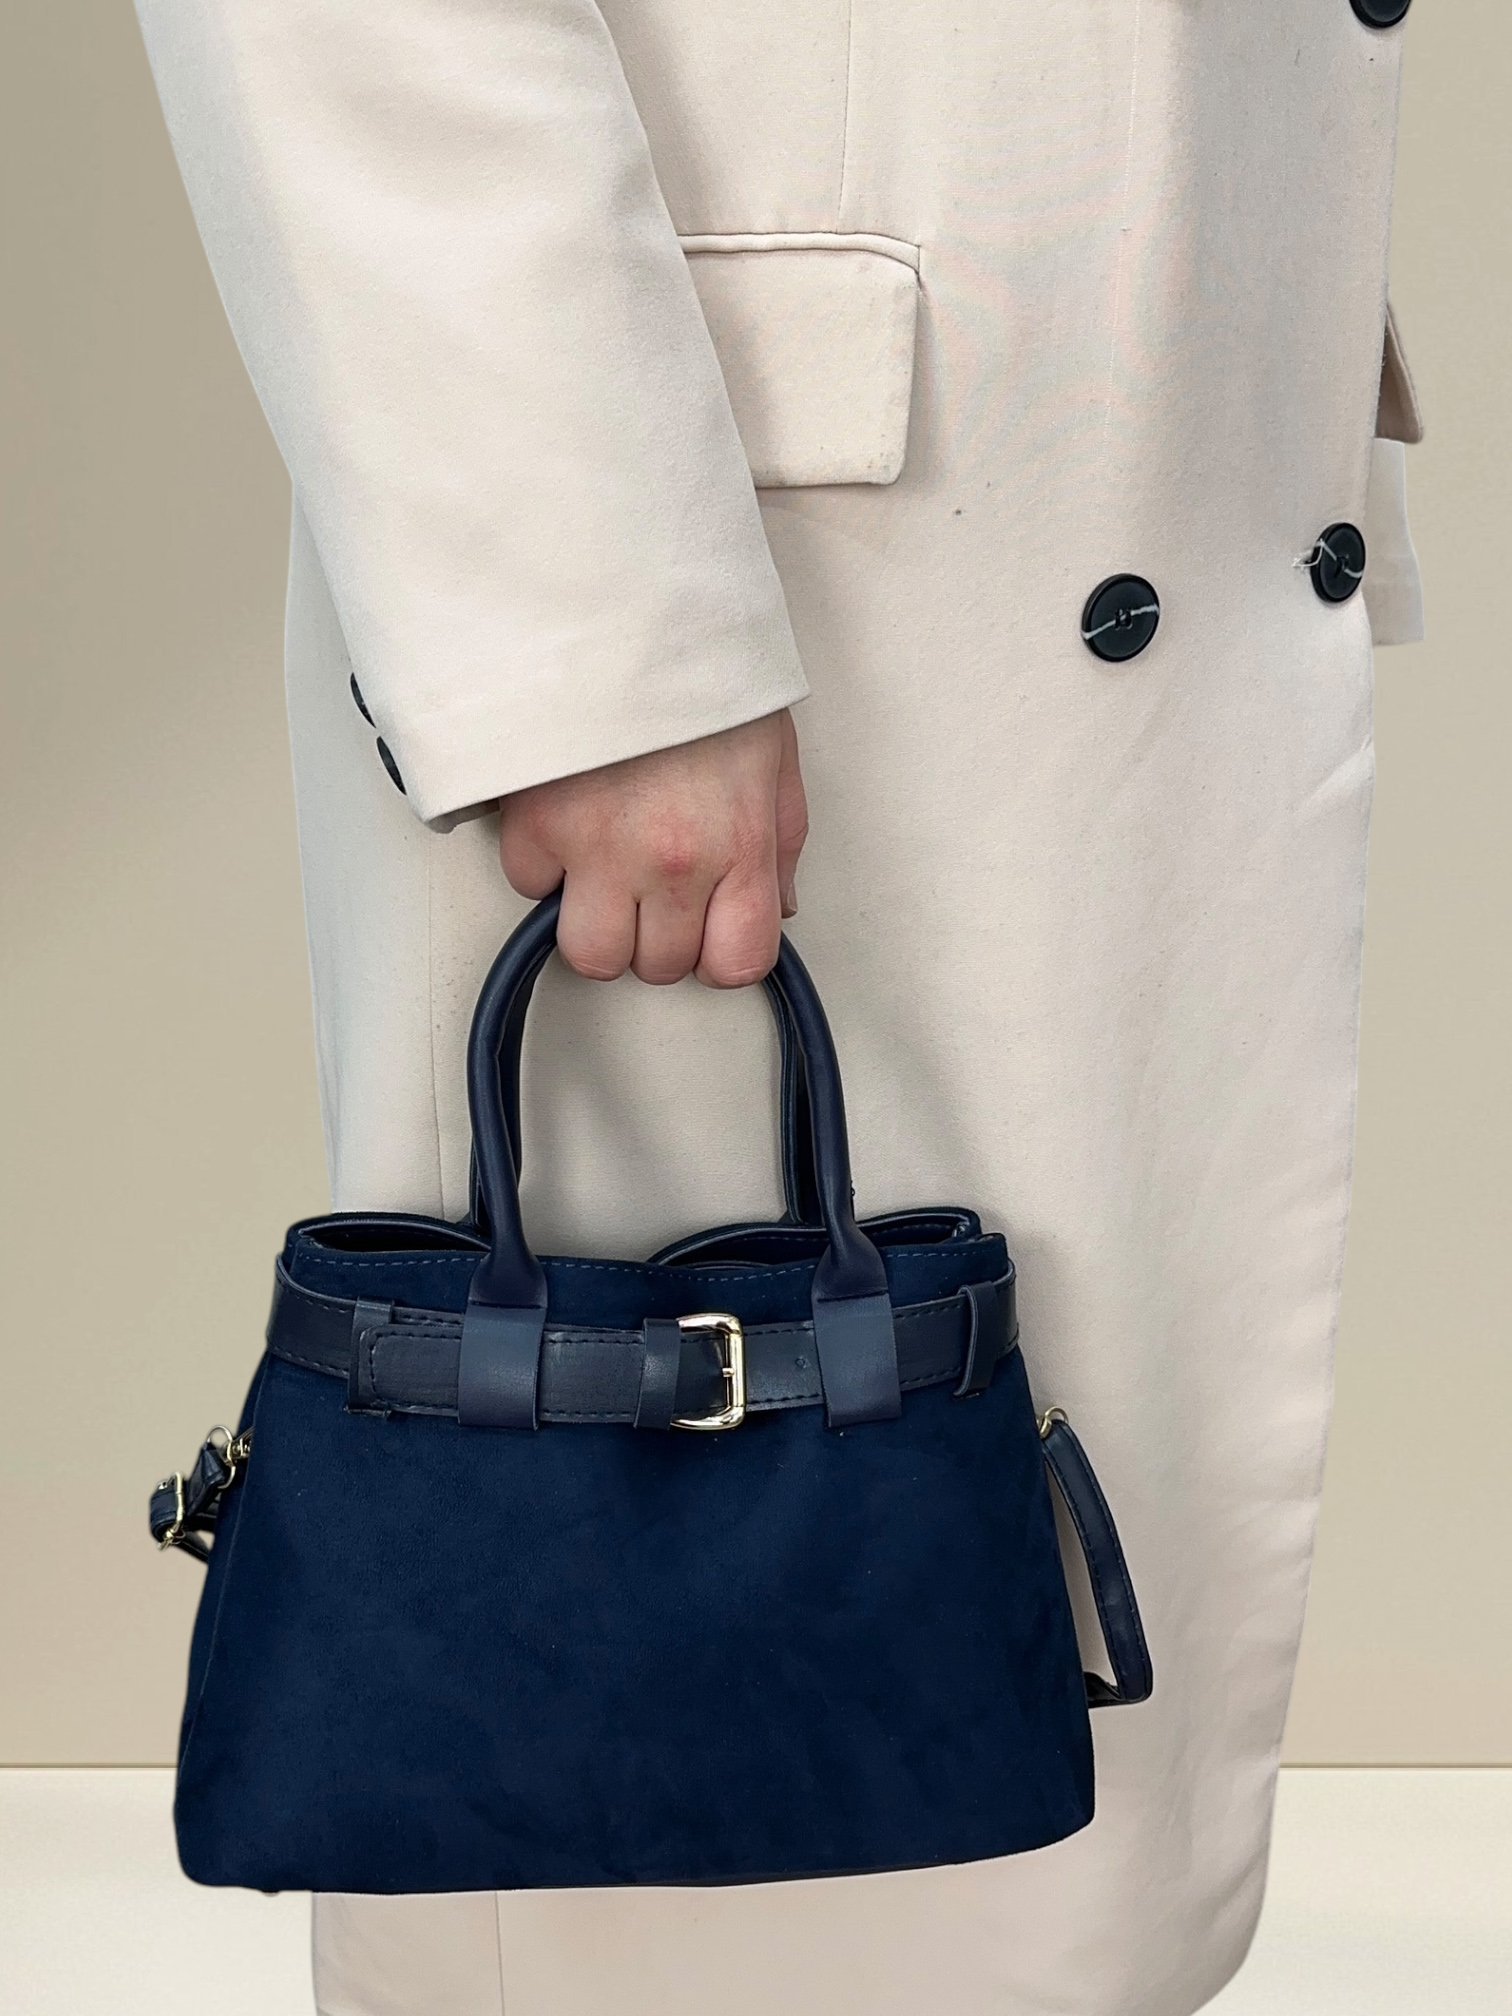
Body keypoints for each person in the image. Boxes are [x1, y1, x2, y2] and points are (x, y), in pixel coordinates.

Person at [132, 4, 1424, 2013]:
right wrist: (597, 641)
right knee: (653, 1836)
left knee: (1023, 1782)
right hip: (746, 559)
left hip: (1092, 440)